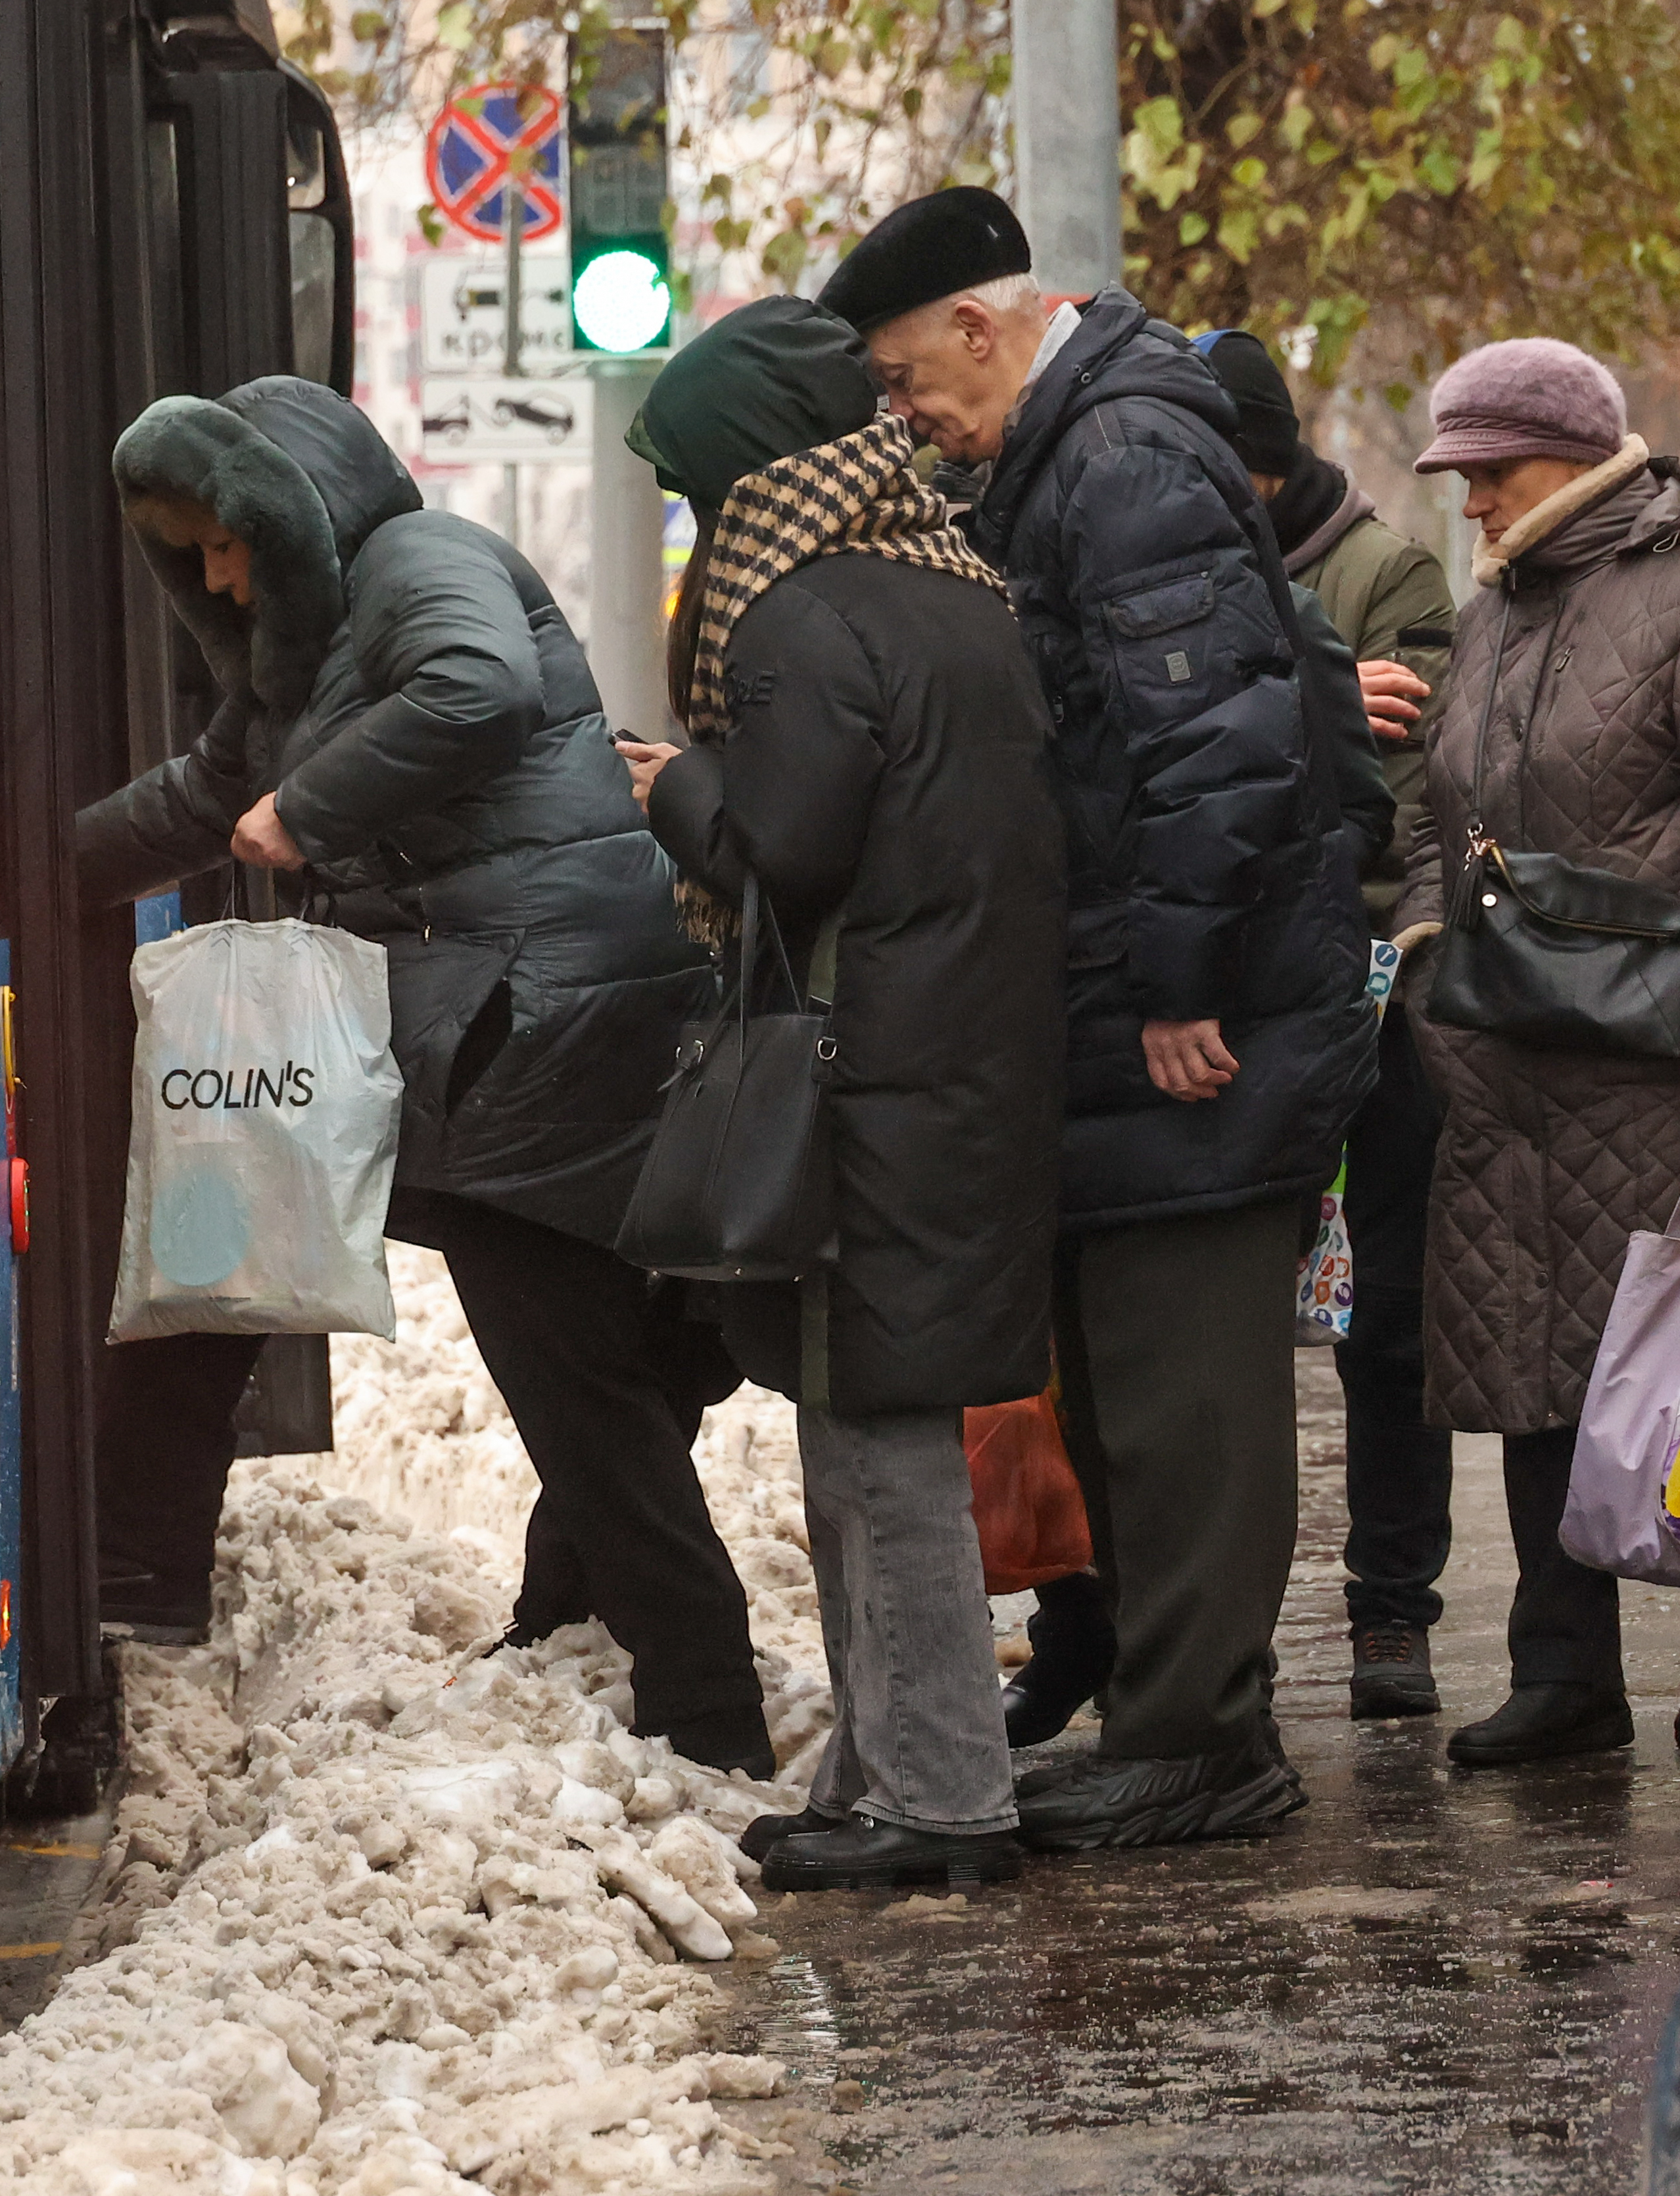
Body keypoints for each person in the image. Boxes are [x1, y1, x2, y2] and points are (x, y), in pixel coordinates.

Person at [76, 374, 772, 1776]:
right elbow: (203, 793)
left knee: (570, 1367)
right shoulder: (302, 645)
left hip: (537, 1030)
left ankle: (704, 1706)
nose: (210, 571)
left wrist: (311, 806)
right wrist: (15, 860)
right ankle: (568, 1624)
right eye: (188, 553)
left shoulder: (420, 560)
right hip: (478, 1024)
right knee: (559, 1351)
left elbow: (478, 687)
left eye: (222, 538)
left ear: (288, 509)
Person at [821, 188, 1377, 1848]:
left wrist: (1175, 983)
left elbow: (1209, 739)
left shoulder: (1121, 457)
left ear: (984, 331)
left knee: (1180, 1381)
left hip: (1187, 1013)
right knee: (1130, 1372)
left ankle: (1203, 1738)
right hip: (1130, 998)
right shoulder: (1069, 451)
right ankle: (1170, 1712)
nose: (905, 413)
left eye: (910, 378)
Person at [616, 297, 1068, 1890]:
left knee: (875, 1437)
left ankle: (940, 1799)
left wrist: (666, 781)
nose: (690, 517)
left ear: (743, 470)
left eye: (688, 484)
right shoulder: (951, 592)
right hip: (956, 1061)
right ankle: (888, 1771)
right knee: (871, 1421)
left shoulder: (800, 617)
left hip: (868, 1070)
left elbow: (783, 852)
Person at [1387, 338, 1680, 1765]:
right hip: (1497, 1055)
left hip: (1647, 1058)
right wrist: (1413, 948)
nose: (1465, 500)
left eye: (1486, 470)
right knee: (1528, 1362)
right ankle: (1561, 1673)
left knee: (1677, 1356)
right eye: (1454, 475)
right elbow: (1428, 819)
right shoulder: (1497, 608)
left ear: (1573, 459)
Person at [1195, 330, 1463, 1720]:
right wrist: (1302, 699)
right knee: (1224, 1321)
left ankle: (1387, 1614)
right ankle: (1211, 1635)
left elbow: (1396, 807)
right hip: (1222, 997)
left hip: (1370, 1001)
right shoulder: (1175, 566)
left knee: (1388, 1324)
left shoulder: (1384, 575)